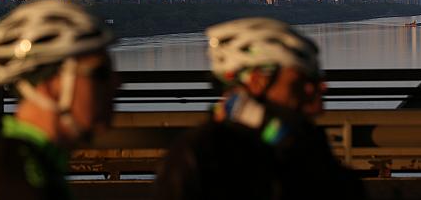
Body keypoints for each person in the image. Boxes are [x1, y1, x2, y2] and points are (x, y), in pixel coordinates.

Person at [155, 17, 364, 200]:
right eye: (301, 80)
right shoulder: (202, 154)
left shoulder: (303, 141)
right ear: (256, 81)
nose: (319, 87)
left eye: (317, 78)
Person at [0, 0, 117, 200]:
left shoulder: (32, 169)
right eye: (99, 73)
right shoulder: (13, 185)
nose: (116, 83)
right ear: (51, 86)